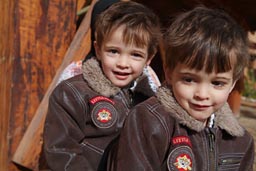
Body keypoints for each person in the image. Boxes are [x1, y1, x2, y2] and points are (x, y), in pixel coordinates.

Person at [107, 6, 255, 171]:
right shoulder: (149, 123)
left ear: (232, 84)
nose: (202, 94)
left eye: (217, 83)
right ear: (169, 73)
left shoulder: (239, 142)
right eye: (189, 80)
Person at [43, 1, 161, 171]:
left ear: (149, 58)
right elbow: (61, 150)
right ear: (98, 49)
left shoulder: (150, 102)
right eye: (113, 51)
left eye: (135, 55)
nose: (123, 63)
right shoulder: (72, 93)